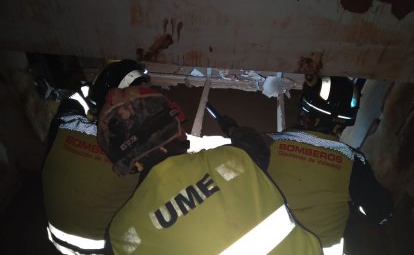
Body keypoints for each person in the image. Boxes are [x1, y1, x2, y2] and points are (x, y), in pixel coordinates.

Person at [96, 84, 324, 254]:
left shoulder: (121, 233)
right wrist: (235, 130)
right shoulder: (234, 159)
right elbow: (255, 144)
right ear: (176, 127)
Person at [267, 75, 394, 254]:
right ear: (346, 121)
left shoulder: (267, 143)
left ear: (304, 109)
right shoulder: (352, 160)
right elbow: (381, 211)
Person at [42, 59, 149, 255]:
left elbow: (72, 102)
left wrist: (91, 93)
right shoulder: (139, 149)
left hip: (56, 242)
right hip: (102, 250)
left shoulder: (64, 124)